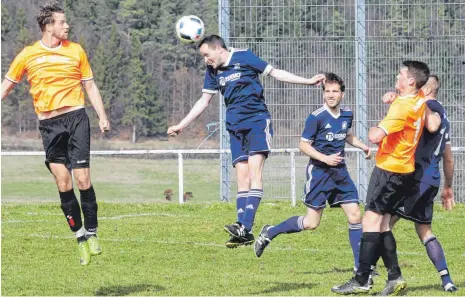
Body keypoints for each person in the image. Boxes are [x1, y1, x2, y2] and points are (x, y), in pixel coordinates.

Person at [167, 34, 325, 248]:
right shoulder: (213, 71)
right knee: (241, 178)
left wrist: (307, 81)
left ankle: (245, 226)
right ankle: (243, 231)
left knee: (254, 172)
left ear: (218, 48)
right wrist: (181, 125)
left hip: (256, 122)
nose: (206, 60)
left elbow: (275, 73)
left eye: (207, 55)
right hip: (234, 126)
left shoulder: (245, 57)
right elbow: (203, 101)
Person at [1, 1, 109, 265]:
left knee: (83, 179)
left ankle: (93, 233)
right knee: (63, 183)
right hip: (49, 126)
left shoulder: (76, 51)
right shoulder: (27, 55)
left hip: (76, 118)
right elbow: (6, 86)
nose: (67, 25)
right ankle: (80, 237)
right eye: (62, 22)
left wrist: (102, 116)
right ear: (48, 26)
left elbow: (91, 87)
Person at [253, 73, 371, 275]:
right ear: (323, 94)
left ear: (342, 94)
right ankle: (270, 231)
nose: (331, 95)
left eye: (335, 91)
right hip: (319, 174)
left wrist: (363, 147)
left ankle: (360, 267)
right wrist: (325, 159)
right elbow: (303, 145)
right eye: (327, 91)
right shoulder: (316, 117)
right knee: (311, 223)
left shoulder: (347, 114)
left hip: (340, 173)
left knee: (355, 216)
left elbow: (348, 134)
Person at [331, 60, 430, 296]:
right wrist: (394, 98)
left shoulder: (401, 108)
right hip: (405, 170)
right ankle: (394, 277)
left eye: (400, 75)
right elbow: (407, 111)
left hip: (389, 170)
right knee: (384, 224)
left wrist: (376, 126)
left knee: (370, 222)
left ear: (411, 81)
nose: (397, 78)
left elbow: (376, 136)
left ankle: (361, 279)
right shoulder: (419, 100)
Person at [376, 75, 457, 292]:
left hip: (414, 178)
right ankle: (447, 280)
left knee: (381, 223)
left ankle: (374, 272)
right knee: (424, 230)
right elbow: (448, 158)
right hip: (431, 179)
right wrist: (448, 186)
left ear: (425, 89)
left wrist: (396, 99)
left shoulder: (426, 108)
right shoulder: (444, 115)